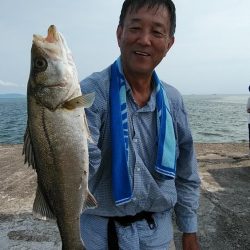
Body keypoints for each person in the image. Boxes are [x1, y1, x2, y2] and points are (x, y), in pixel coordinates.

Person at [80, 0, 201, 249]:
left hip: (158, 233)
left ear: (169, 43)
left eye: (157, 32)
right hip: (98, 235)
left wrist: (189, 229)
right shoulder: (90, 93)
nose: (145, 40)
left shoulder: (173, 100)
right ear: (119, 33)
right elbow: (77, 168)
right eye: (135, 28)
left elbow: (186, 171)